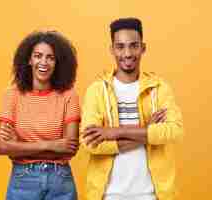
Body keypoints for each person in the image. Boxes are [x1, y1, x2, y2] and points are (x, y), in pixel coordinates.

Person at [81, 17, 184, 200]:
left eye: (133, 45)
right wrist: (147, 130)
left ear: (143, 47)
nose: (127, 53)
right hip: (108, 195)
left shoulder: (159, 88)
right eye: (120, 47)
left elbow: (174, 131)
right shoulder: (96, 90)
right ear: (112, 49)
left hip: (152, 195)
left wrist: (114, 132)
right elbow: (90, 142)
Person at [0, 29, 80, 200]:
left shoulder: (69, 95)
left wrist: (20, 147)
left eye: (50, 57)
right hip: (23, 181)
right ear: (29, 59)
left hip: (60, 182)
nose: (44, 62)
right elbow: (3, 147)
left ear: (58, 63)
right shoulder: (12, 94)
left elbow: (69, 148)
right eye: (38, 55)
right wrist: (52, 145)